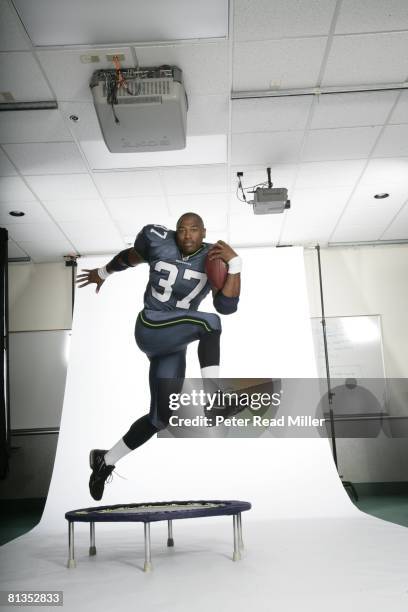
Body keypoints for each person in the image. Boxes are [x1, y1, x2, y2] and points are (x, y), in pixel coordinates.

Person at [76, 212, 241, 500]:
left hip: (174, 345)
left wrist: (236, 265)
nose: (187, 235)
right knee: (209, 323)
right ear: (175, 232)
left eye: (193, 230)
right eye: (182, 229)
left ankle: (106, 460)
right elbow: (131, 256)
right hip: (152, 325)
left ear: (204, 232)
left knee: (160, 418)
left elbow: (227, 306)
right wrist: (102, 273)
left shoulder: (214, 257)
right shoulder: (157, 240)